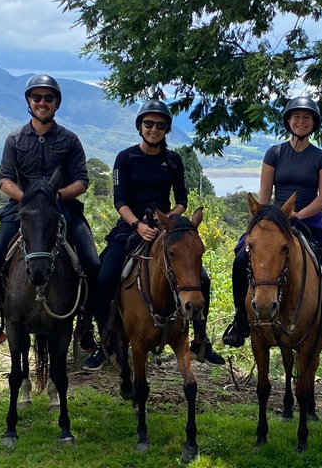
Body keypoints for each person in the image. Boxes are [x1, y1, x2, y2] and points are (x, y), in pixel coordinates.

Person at [83, 99, 225, 370]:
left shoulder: (173, 160)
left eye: (160, 125)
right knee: (104, 277)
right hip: (130, 226)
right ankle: (105, 342)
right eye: (149, 124)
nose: (154, 129)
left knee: (201, 278)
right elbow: (120, 201)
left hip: (165, 226)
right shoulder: (124, 158)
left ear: (166, 129)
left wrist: (166, 220)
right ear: (140, 126)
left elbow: (182, 200)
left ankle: (200, 340)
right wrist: (138, 225)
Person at [0, 74, 101, 354]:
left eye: (48, 98)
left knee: (92, 263)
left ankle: (86, 326)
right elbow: (4, 179)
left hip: (63, 211)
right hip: (21, 212)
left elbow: (82, 181)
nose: (42, 102)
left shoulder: (70, 140)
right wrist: (28, 199)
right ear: (29, 102)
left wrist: (55, 196)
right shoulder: (15, 139)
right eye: (37, 97)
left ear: (57, 103)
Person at [222, 97, 322, 352]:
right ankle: (240, 320)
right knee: (241, 259)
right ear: (288, 120)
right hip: (275, 218)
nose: (301, 121)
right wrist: (261, 221)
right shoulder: (274, 153)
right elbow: (264, 194)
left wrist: (299, 214)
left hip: (311, 217)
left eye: (306, 117)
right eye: (296, 116)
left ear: (313, 123)